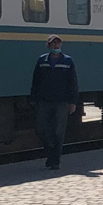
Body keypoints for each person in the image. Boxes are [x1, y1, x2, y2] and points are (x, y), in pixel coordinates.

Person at [30, 34, 80, 169]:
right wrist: (33, 98)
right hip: (44, 100)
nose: (56, 46)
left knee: (59, 131)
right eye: (53, 43)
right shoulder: (42, 61)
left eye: (58, 43)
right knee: (41, 129)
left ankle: (55, 160)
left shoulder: (68, 61)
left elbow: (73, 83)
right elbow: (36, 81)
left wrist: (73, 101)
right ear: (48, 45)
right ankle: (50, 153)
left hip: (62, 102)